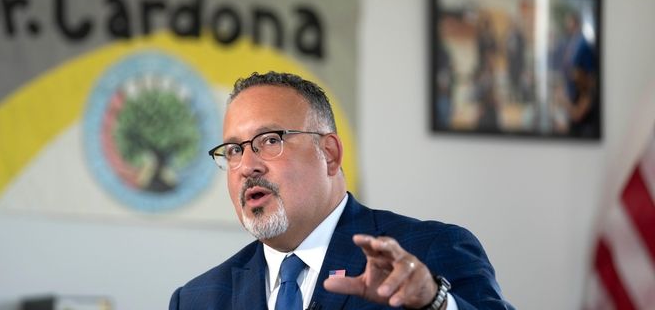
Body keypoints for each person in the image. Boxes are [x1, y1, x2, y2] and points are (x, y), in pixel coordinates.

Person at [169, 71, 514, 310]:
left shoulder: (427, 253)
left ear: (329, 154)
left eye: (270, 140)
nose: (247, 166)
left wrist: (434, 302)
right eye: (233, 151)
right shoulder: (198, 299)